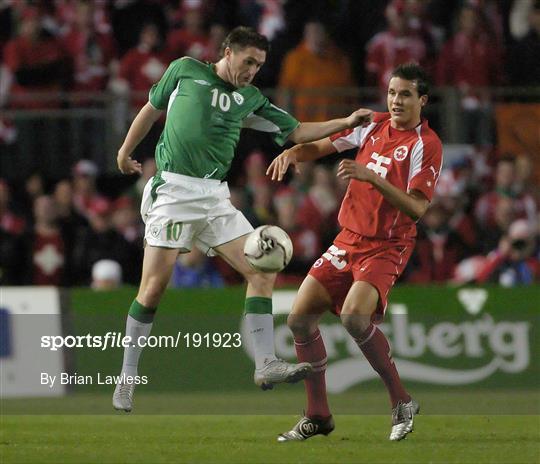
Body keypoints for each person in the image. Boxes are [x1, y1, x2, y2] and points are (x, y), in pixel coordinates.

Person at [112, 26, 372, 412]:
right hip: (174, 192)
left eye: (259, 65)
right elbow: (151, 110)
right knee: (151, 290)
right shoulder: (184, 70)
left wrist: (346, 121)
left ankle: (265, 363)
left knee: (261, 270)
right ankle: (127, 378)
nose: (252, 70)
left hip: (215, 196)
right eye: (248, 61)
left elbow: (297, 130)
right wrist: (124, 150)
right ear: (228, 52)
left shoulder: (249, 99)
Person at [267, 63, 443, 441]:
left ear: (422, 100)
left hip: (387, 245)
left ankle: (401, 402)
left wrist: (371, 177)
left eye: (406, 94)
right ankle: (318, 415)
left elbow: (417, 209)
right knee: (298, 320)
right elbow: (324, 145)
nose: (396, 100)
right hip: (347, 240)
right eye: (393, 92)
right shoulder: (373, 124)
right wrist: (295, 154)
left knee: (354, 318)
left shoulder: (425, 145)